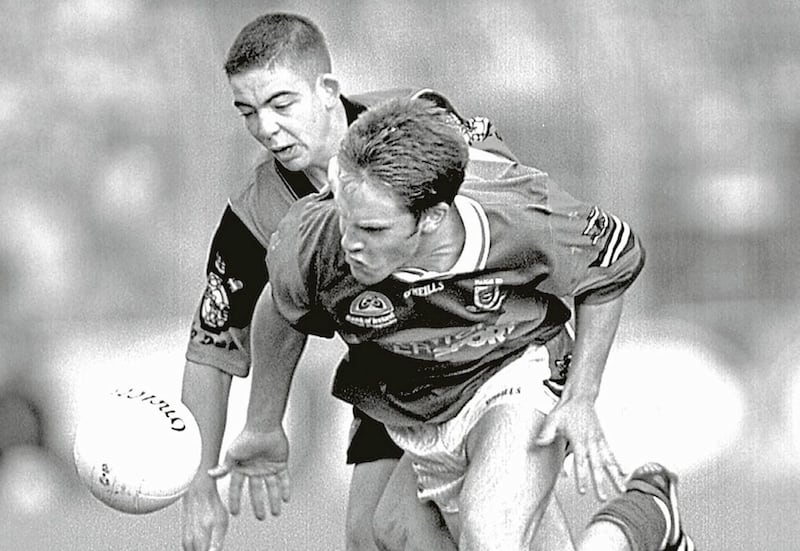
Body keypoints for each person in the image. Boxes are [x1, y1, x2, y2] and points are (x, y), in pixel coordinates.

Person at [210, 97, 693, 550]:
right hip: (423, 408)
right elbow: (280, 307)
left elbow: (613, 258)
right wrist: (263, 424)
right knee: (395, 533)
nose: (352, 243)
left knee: (489, 534)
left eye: (374, 230)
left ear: (433, 217)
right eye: (346, 221)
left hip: (518, 372)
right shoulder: (313, 236)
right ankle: (645, 517)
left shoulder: (522, 213)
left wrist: (582, 396)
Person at [179, 12, 519, 551]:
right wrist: (199, 482)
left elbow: (516, 208)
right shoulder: (255, 216)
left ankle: (638, 524)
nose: (265, 128)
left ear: (328, 89)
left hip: (489, 353)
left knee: (474, 524)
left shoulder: (420, 124)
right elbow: (211, 348)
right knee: (370, 535)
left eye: (281, 104)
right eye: (247, 111)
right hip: (393, 379)